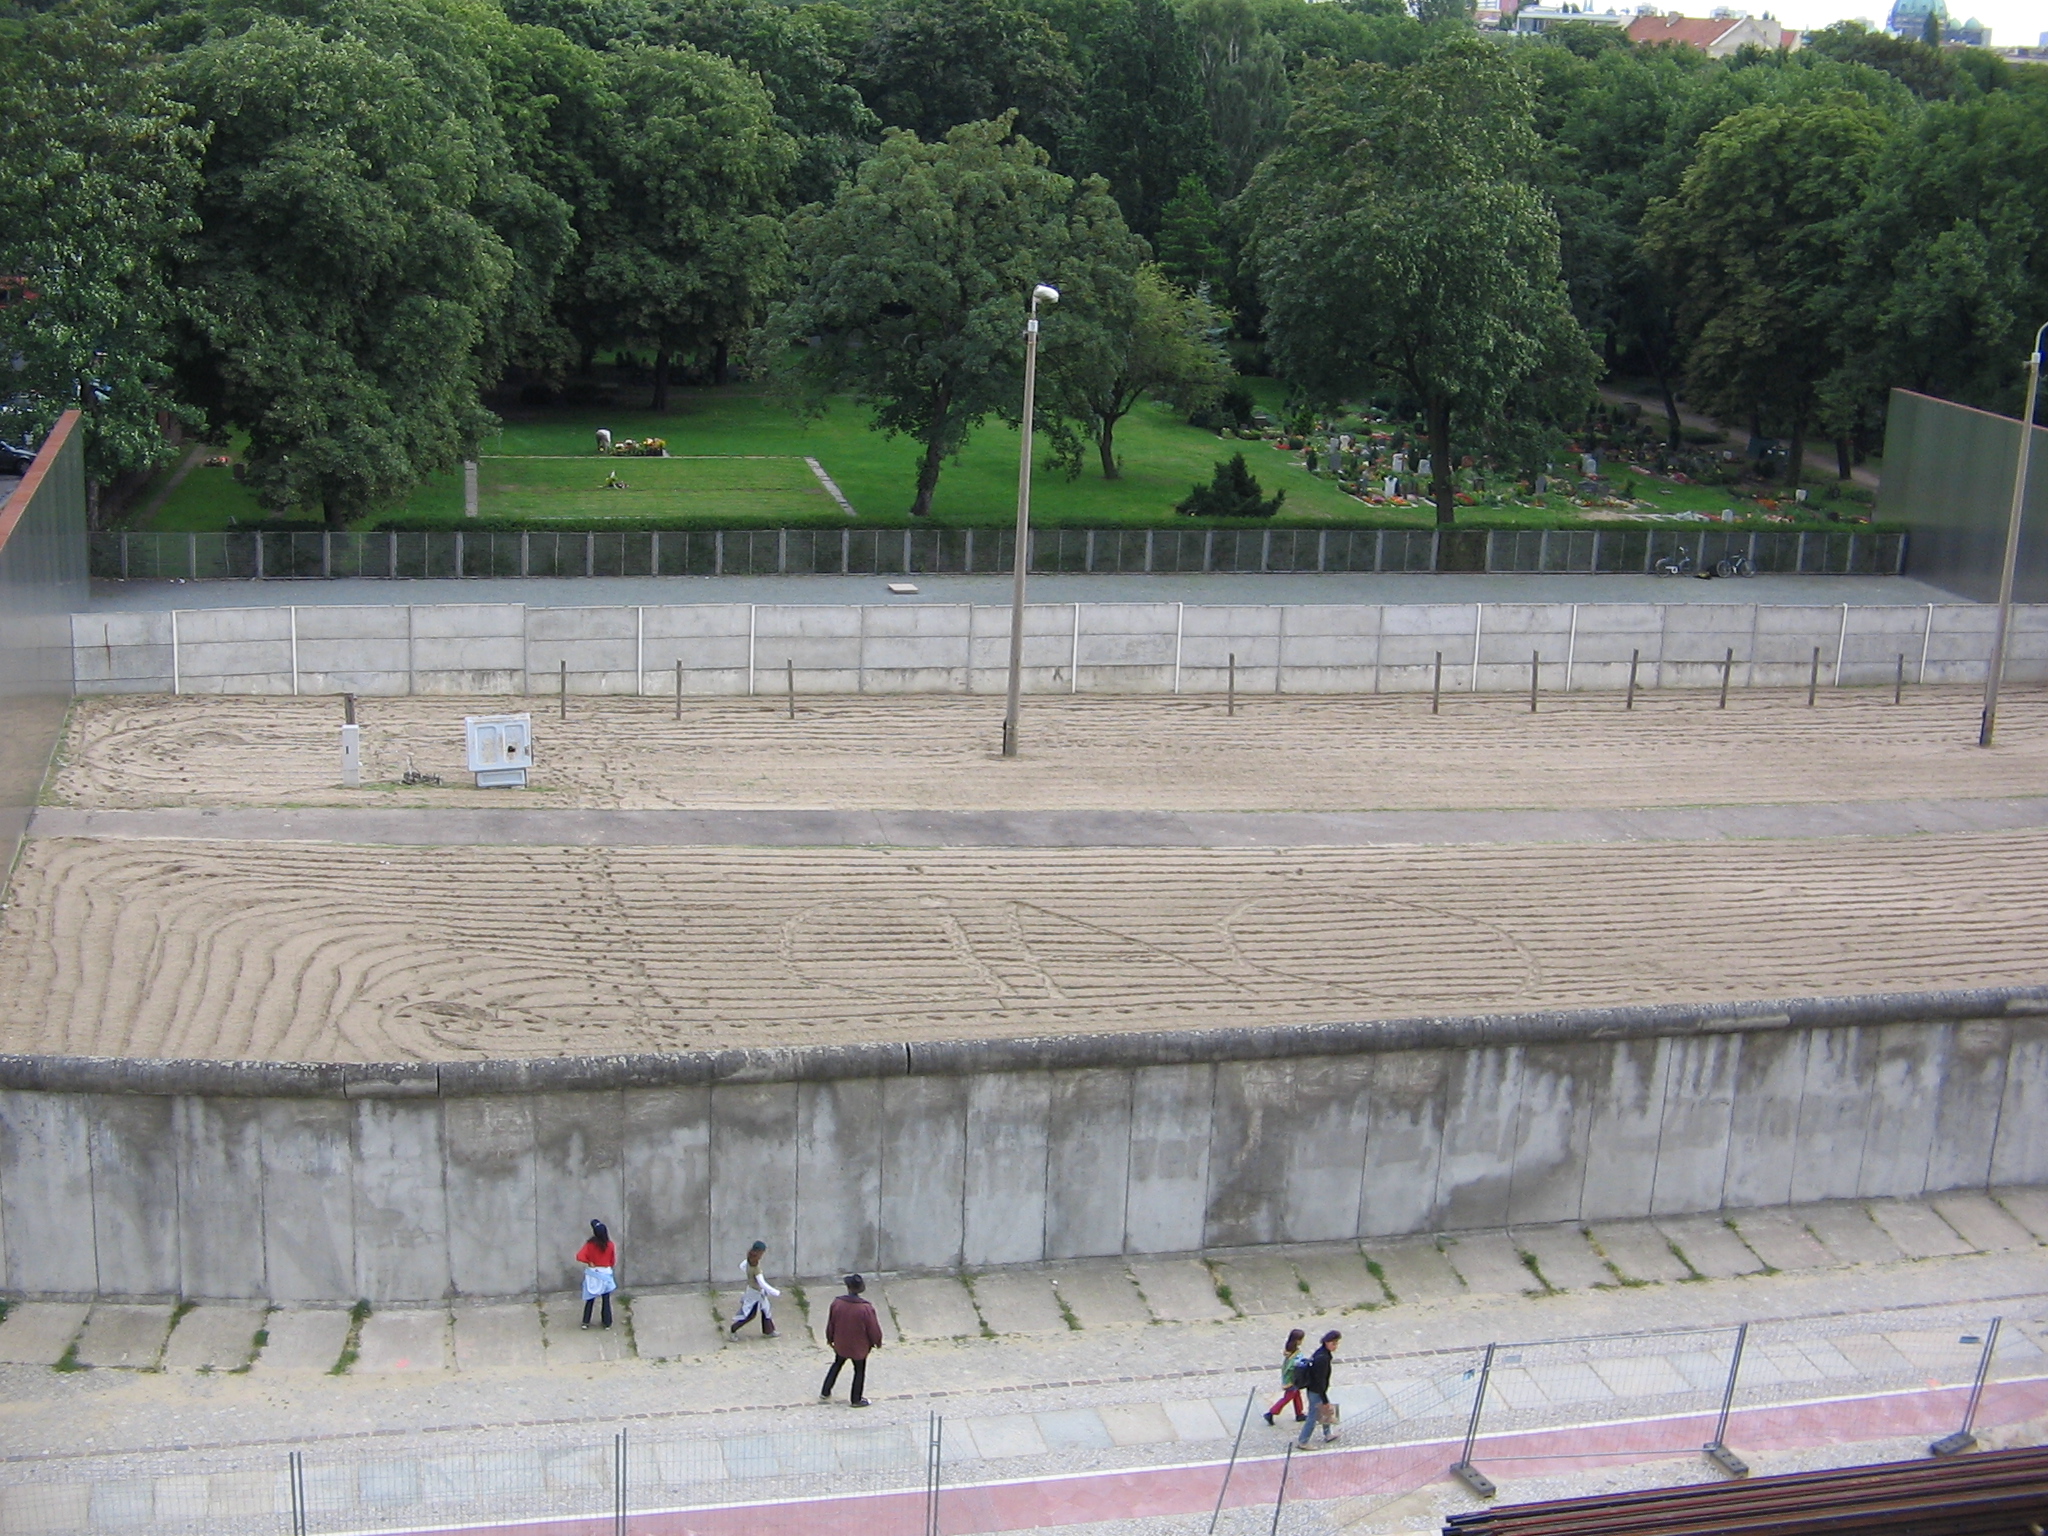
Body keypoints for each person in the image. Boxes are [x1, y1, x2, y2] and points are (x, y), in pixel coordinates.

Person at [820, 1273, 882, 1406]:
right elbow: (873, 1328)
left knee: (836, 1365)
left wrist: (829, 1338)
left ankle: (825, 1391)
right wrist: (877, 1341)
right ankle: (856, 1399)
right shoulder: (866, 1308)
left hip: (841, 1344)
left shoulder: (837, 1303)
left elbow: (831, 1323)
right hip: (859, 1347)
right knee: (859, 1371)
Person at [1296, 1330, 1341, 1447]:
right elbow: (1320, 1380)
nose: (1335, 1346)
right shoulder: (1323, 1358)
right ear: (1327, 1342)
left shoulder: (1321, 1353)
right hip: (1317, 1390)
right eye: (1334, 1343)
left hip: (1315, 1389)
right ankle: (1303, 1441)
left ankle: (1327, 1434)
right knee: (1313, 1415)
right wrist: (1324, 1399)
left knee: (1325, 1411)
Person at [730, 1240, 779, 1336]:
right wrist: (775, 1292)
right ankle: (733, 1329)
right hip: (754, 1293)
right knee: (750, 1314)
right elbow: (762, 1283)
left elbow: (742, 1266)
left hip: (755, 1290)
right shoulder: (756, 1269)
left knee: (766, 1309)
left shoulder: (748, 1261)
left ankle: (769, 1330)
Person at [577, 1219, 617, 1330]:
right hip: (605, 1273)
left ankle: (586, 1321)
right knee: (606, 1299)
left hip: (593, 1273)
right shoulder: (610, 1245)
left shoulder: (590, 1245)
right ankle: (607, 1322)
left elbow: (579, 1256)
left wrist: (589, 1262)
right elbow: (612, 1261)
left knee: (590, 1297)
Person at [1264, 1328, 1308, 1425]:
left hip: (1290, 1379)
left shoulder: (1290, 1350)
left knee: (1297, 1395)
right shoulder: (1295, 1354)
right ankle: (1271, 1412)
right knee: (1288, 1397)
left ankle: (1299, 1413)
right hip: (1292, 1379)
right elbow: (1293, 1366)